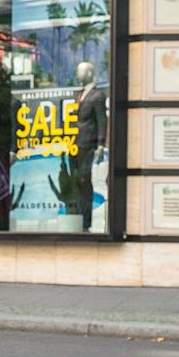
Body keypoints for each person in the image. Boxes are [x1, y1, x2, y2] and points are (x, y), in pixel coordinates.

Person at [72, 61, 107, 232]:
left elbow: (102, 120)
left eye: (80, 71)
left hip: (88, 143)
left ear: (89, 73)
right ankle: (80, 218)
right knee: (78, 181)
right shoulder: (80, 94)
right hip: (77, 144)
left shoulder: (97, 96)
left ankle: (86, 221)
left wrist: (101, 144)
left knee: (85, 181)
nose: (77, 74)